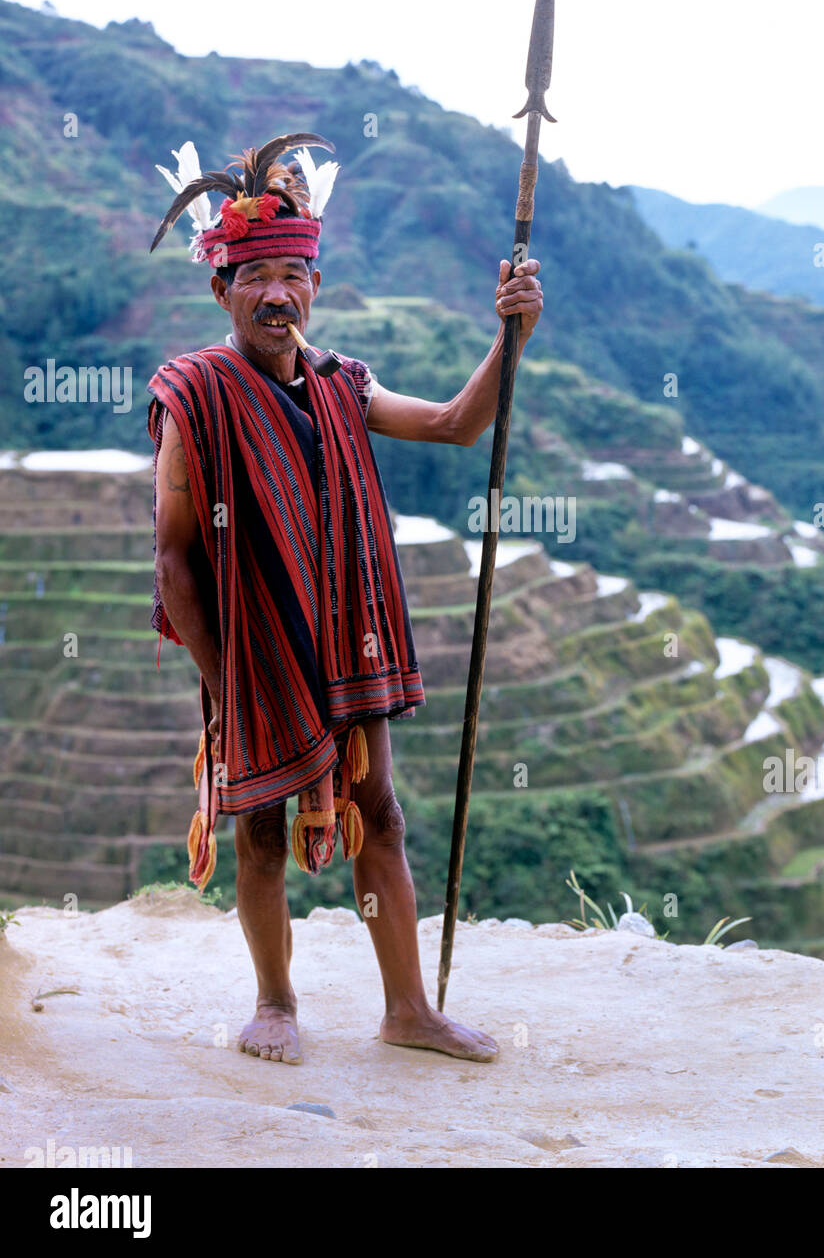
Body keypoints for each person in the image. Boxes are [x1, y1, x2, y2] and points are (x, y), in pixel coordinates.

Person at [147, 133, 542, 1064]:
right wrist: (231, 681)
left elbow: (453, 423)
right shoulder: (194, 394)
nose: (277, 292)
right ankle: (275, 1002)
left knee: (384, 815)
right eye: (257, 276)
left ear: (315, 285)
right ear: (221, 289)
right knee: (260, 832)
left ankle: (407, 1009)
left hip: (345, 645)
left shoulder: (342, 384)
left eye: (294, 272)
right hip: (250, 655)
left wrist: (509, 336)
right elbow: (172, 564)